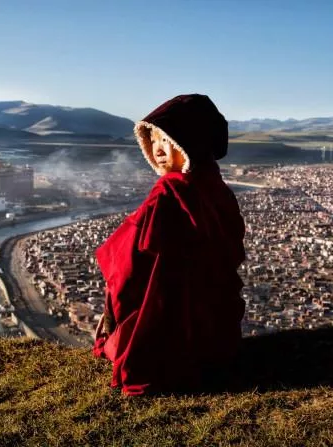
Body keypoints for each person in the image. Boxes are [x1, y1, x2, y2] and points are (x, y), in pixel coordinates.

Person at [92, 94, 246, 395]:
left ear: (191, 142)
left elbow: (130, 254)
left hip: (168, 299)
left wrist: (112, 259)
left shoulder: (170, 190)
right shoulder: (216, 187)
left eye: (168, 139)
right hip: (214, 314)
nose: (159, 149)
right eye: (154, 139)